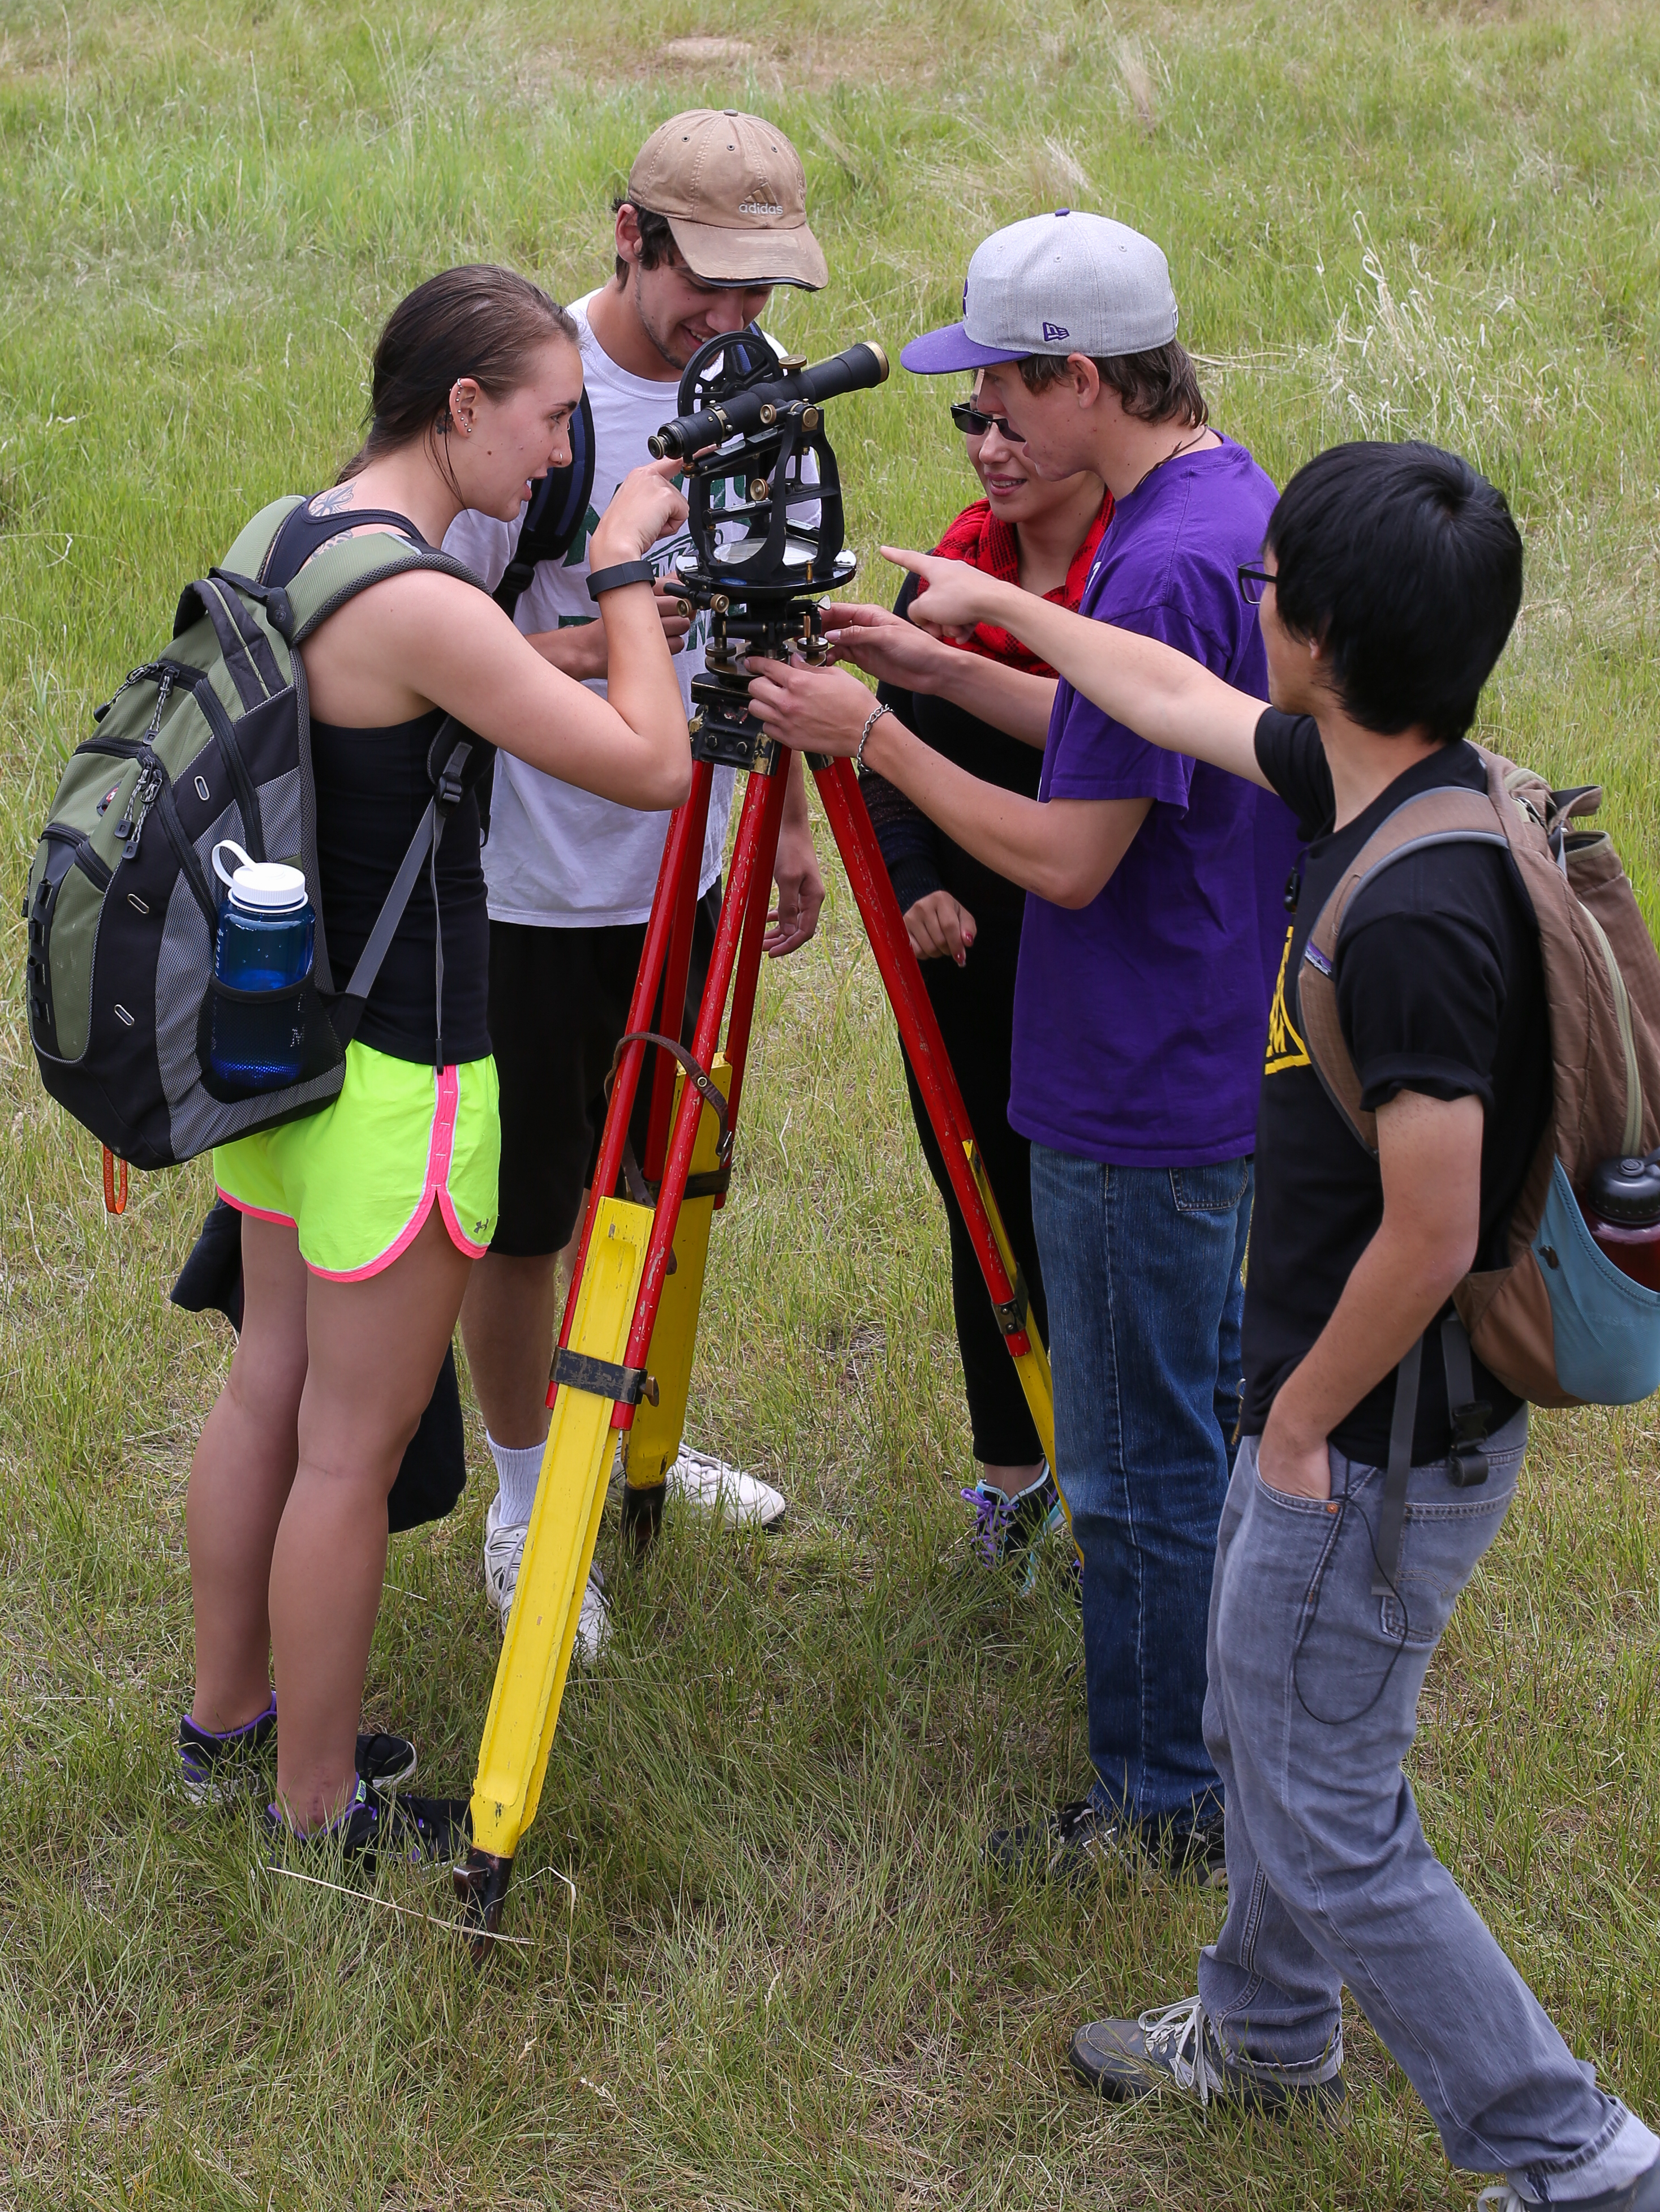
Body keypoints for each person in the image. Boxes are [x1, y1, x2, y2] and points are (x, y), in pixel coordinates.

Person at [868, 440, 1660, 2212]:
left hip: (1380, 1433)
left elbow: (1424, 1227)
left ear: (1315, 638)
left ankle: (1585, 2165)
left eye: (1267, 591)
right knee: (1263, 1721)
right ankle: (1264, 2035)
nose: (1240, 613)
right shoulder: (1391, 781)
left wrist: (1302, 1423)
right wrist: (987, 620)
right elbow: (1168, 694)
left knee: (1329, 1801)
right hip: (1340, 1408)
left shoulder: (1409, 911)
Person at [750, 209, 1295, 1880]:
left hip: (1135, 1076)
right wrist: (932, 667)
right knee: (1189, 1427)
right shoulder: (1214, 501)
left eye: (996, 399)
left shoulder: (1161, 557)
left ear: (1080, 377)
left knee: (1129, 1472)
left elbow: (1071, 856)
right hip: (1194, 1049)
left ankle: (1154, 1806)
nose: (982, 434)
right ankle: (1226, 1733)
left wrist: (872, 741)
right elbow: (1139, 730)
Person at [185, 264, 692, 1852]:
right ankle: (319, 1806)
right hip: (400, 1068)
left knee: (268, 1392)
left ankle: (227, 1723)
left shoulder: (297, 533)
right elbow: (655, 768)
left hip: (277, 1037)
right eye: (548, 425)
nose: (561, 457)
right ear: (460, 407)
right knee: (347, 1451)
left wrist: (561, 623)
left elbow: (422, 701)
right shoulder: (430, 601)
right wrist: (618, 575)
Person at [446, 111, 826, 1656]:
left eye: (762, 292)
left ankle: (641, 1441)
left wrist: (784, 827)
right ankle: (533, 1497)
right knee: (529, 1214)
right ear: (629, 233)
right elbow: (432, 645)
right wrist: (615, 626)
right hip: (539, 883)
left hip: (702, 867)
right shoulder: (539, 398)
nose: (731, 321)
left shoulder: (764, 395)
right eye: (707, 284)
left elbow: (775, 610)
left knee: (659, 1183)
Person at [832, 398, 1112, 1564]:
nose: (987, 447)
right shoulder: (942, 579)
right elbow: (885, 747)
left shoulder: (1131, 595)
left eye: (1012, 422)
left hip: (1095, 940)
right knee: (981, 1199)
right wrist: (910, 883)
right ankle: (1013, 1473)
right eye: (970, 419)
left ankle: (1120, 1465)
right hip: (964, 951)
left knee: (1098, 1210)